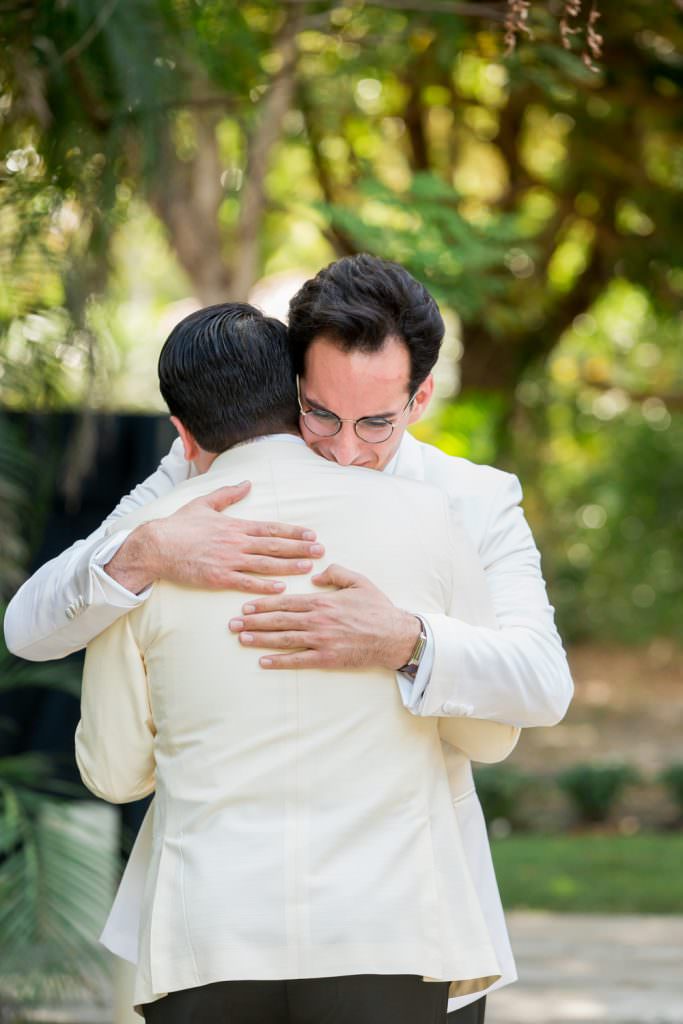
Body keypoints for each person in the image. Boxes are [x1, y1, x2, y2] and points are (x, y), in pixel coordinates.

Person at [4, 255, 573, 1021]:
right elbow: (29, 626)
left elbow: (540, 683)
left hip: (401, 912)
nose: (342, 449)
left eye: (375, 422)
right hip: (244, 927)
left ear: (420, 396)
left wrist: (406, 639)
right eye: (319, 414)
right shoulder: (185, 482)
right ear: (288, 385)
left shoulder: (469, 500)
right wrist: (144, 553)